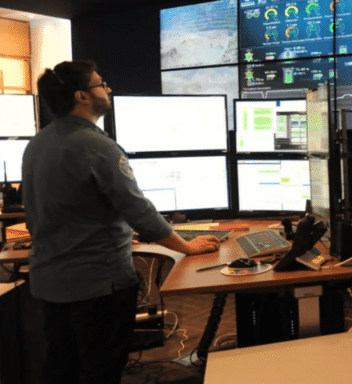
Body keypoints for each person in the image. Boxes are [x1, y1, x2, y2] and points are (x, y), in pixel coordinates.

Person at [22, 60, 221, 384]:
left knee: (62, 365)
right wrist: (185, 246)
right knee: (101, 369)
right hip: (97, 285)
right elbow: (138, 210)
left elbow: (45, 211)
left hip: (50, 283)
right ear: (82, 96)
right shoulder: (96, 146)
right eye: (100, 83)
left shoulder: (38, 143)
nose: (108, 89)